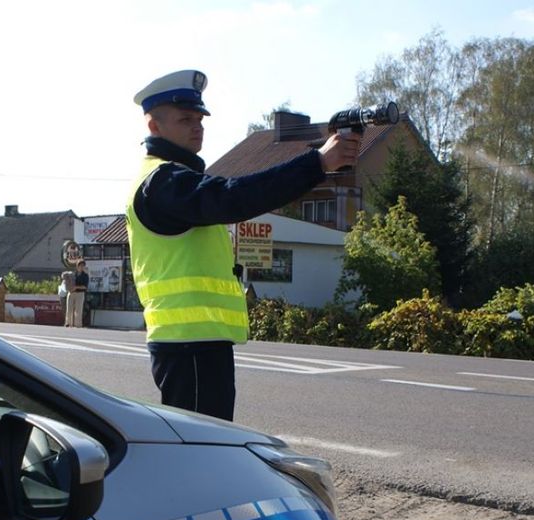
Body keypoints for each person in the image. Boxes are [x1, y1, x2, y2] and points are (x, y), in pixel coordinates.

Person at [126, 69, 360, 421]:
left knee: (205, 450)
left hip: (194, 342)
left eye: (200, 118)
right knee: (204, 455)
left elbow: (233, 195)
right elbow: (235, 197)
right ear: (154, 127)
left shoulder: (172, 178)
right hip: (188, 345)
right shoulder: (162, 182)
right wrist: (318, 162)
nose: (198, 126)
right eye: (185, 119)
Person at [65, 260, 89, 328]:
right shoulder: (72, 274)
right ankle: (68, 323)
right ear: (77, 266)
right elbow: (66, 281)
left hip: (80, 293)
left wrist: (76, 287)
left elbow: (85, 286)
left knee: (78, 309)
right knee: (69, 309)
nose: (81, 267)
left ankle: (78, 324)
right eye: (80, 265)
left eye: (83, 265)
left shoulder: (85, 275)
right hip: (71, 293)